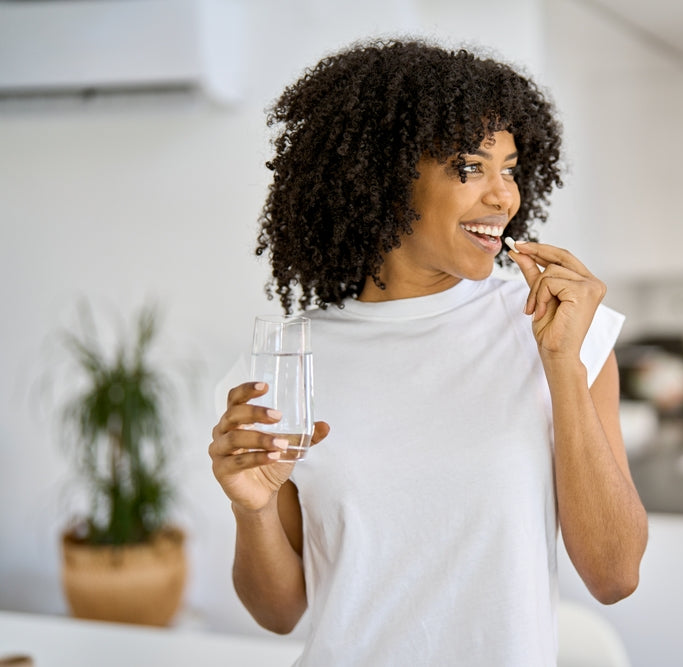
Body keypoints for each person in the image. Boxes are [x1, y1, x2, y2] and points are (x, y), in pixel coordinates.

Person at [208, 38, 648, 666]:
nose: (504, 197)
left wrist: (562, 367)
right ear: (386, 179)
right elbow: (279, 613)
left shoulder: (560, 331)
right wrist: (249, 509)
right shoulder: (286, 360)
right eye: (470, 167)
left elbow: (616, 574)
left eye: (511, 167)